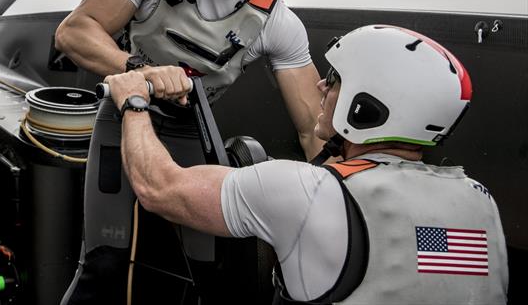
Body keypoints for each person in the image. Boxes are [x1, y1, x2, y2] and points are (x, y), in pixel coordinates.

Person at [56, 0, 323, 303]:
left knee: (201, 270)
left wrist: (343, 207)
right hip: (123, 118)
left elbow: (313, 130)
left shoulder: (277, 23)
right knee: (104, 261)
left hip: (189, 131)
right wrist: (140, 69)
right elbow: (74, 31)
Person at [104, 24, 508, 304]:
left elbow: (159, 187)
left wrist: (133, 102)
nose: (320, 85)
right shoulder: (480, 202)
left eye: (334, 79)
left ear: (365, 107)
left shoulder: (306, 193)